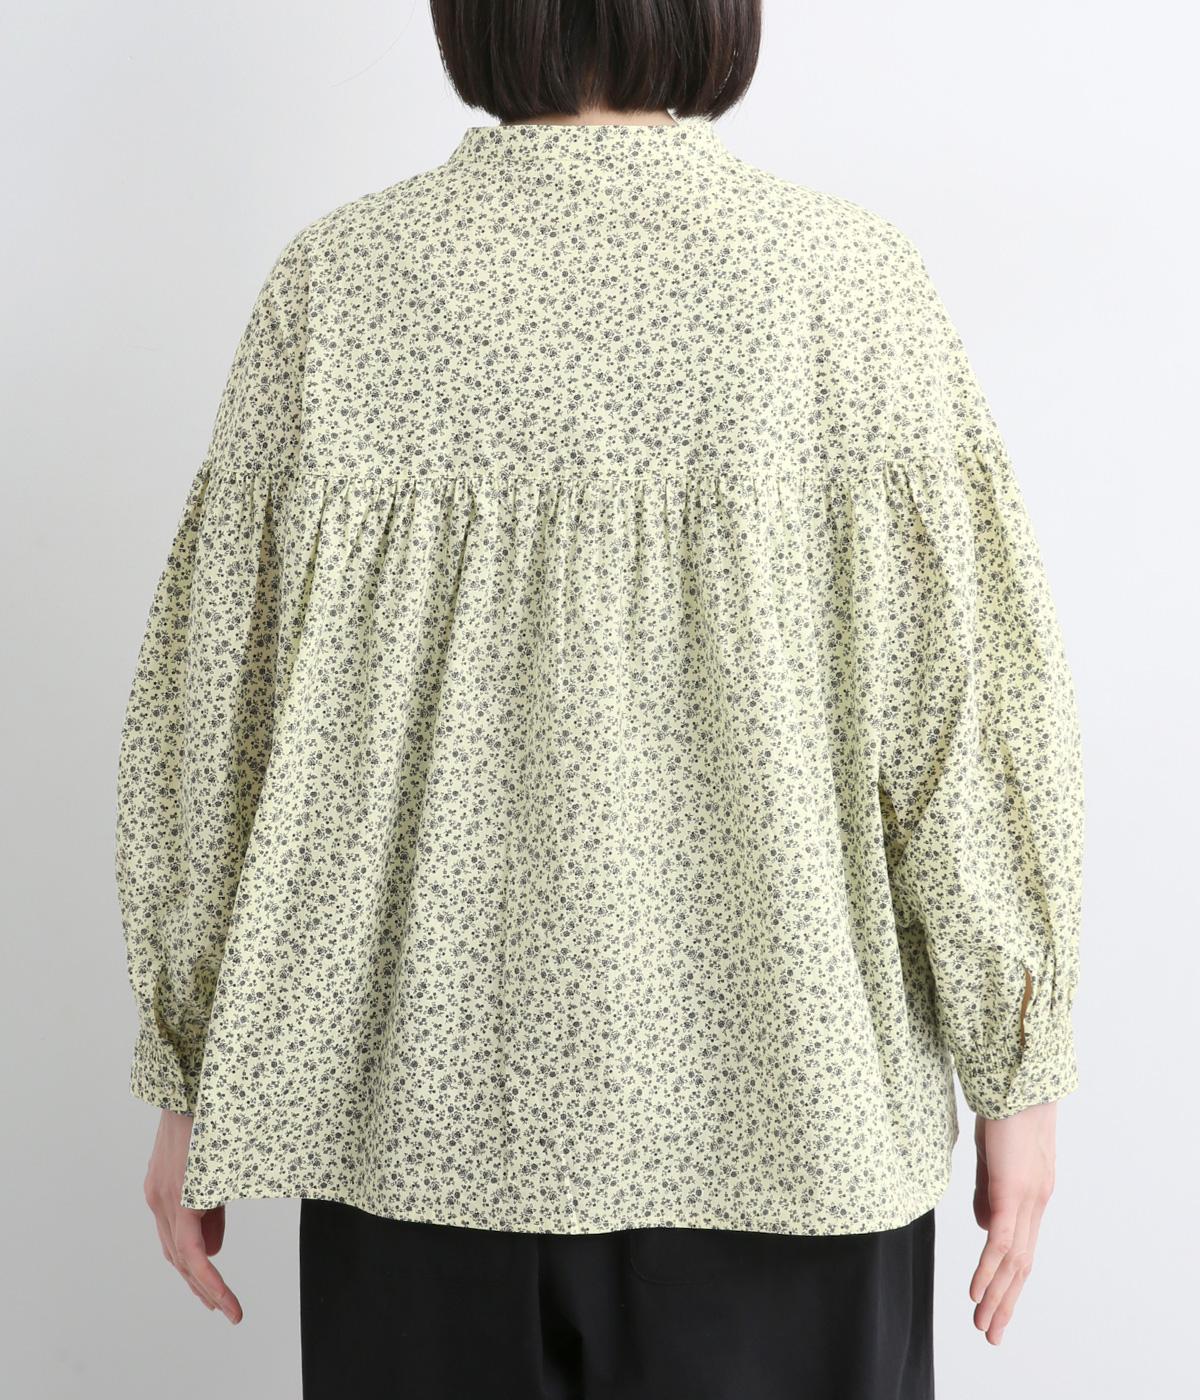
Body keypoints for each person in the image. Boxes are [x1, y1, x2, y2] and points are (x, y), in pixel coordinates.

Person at [115, 2, 1084, 1395]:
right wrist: (1018, 1071)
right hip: (791, 1126)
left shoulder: (338, 289)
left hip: (420, 1134)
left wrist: (189, 1067)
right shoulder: (849, 285)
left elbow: (219, 721)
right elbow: (967, 723)